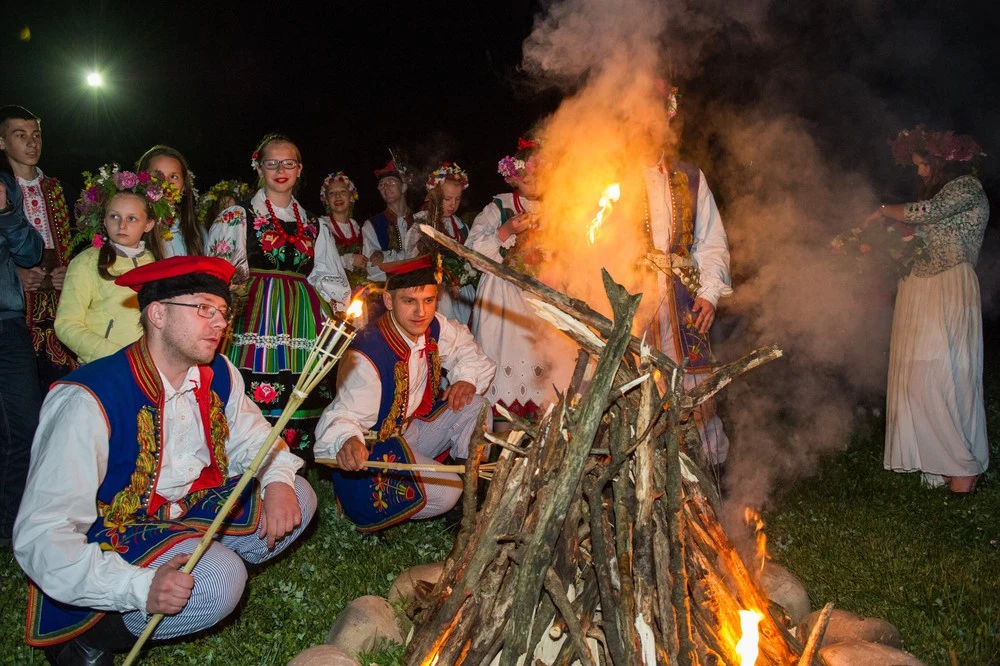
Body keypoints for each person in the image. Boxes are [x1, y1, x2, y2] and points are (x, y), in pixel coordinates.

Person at [13, 255, 316, 663]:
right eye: (205, 309)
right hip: (117, 531)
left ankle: (208, 558)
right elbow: (41, 535)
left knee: (300, 492)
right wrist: (138, 587)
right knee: (220, 582)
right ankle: (93, 636)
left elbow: (255, 438)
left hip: (185, 510)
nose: (221, 323)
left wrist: (277, 480)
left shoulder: (219, 371)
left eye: (223, 312)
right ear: (157, 313)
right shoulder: (88, 399)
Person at [314, 255, 496, 532]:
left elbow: (465, 347)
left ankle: (466, 507)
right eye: (409, 301)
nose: (421, 312)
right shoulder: (368, 352)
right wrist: (347, 439)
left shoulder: (432, 325)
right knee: (447, 490)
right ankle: (445, 495)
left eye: (428, 300)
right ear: (389, 302)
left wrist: (466, 380)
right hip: (375, 450)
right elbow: (345, 413)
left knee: (478, 406)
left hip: (415, 431)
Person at [205, 133, 351, 458]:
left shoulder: (315, 224)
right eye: (272, 163)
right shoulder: (237, 217)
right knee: (246, 397)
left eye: (288, 163)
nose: (280, 169)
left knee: (304, 395)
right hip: (253, 315)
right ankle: (246, 468)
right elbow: (221, 273)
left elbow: (328, 275)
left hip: (303, 320)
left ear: (299, 169)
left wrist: (341, 315)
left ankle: (295, 471)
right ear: (259, 167)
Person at [878, 127, 989, 494]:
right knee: (915, 380)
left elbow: (932, 211)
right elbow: (918, 233)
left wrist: (880, 212)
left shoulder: (966, 188)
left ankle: (962, 465)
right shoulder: (940, 191)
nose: (921, 173)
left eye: (925, 164)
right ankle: (938, 463)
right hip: (919, 290)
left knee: (941, 376)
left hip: (947, 287)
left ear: (945, 163)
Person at [640, 83, 733, 467]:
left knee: (695, 389)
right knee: (637, 386)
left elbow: (711, 242)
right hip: (633, 299)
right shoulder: (604, 178)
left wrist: (710, 293)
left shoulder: (690, 177)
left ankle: (703, 478)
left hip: (682, 297)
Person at [467, 137, 576, 423]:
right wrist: (505, 231)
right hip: (504, 302)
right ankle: (499, 438)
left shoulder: (559, 210)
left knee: (550, 378)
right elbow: (473, 254)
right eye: (526, 177)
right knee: (507, 374)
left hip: (545, 298)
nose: (534, 181)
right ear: (513, 177)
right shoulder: (497, 208)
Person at [54, 164, 172, 364]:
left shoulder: (157, 264)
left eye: (132, 218)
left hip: (151, 367)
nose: (122, 225)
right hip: (106, 366)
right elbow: (66, 324)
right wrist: (119, 357)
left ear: (149, 224)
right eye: (114, 216)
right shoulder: (86, 262)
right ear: (104, 220)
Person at [0, 105, 77, 392]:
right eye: (20, 135)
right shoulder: (3, 188)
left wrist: (71, 271)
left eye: (36, 135)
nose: (32, 143)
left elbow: (84, 243)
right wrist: (13, 273)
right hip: (17, 310)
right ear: (2, 142)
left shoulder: (62, 191)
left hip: (60, 302)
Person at [0, 169, 43, 548]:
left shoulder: (4, 183)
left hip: (7, 323)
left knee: (25, 425)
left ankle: (10, 531)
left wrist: (5, 211)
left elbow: (31, 251)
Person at [406, 162, 477, 325]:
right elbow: (413, 260)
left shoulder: (461, 226)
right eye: (447, 199)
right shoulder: (422, 223)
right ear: (434, 195)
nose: (453, 204)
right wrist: (445, 279)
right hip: (436, 292)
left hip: (462, 293)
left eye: (457, 199)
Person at [137, 145, 202, 258]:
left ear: (184, 186)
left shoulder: (198, 234)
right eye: (157, 176)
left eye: (173, 176)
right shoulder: (131, 228)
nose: (166, 184)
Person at [318, 171, 370, 310]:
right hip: (331, 297)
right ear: (326, 200)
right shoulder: (321, 226)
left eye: (342, 191)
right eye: (331, 193)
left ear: (352, 197)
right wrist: (349, 260)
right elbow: (319, 263)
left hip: (358, 295)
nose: (338, 196)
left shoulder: (358, 227)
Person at [362, 160, 414, 282]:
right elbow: (372, 269)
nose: (385, 187)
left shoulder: (420, 221)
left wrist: (385, 257)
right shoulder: (372, 225)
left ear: (404, 187)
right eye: (381, 185)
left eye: (391, 182)